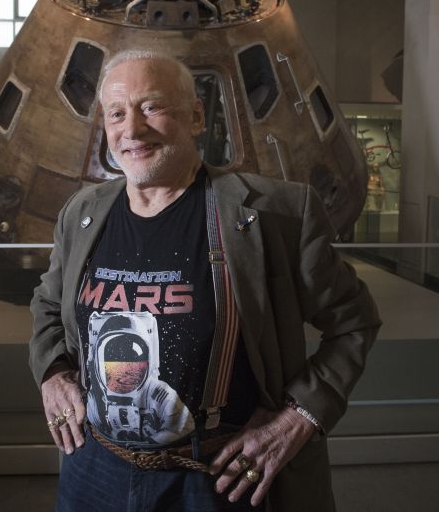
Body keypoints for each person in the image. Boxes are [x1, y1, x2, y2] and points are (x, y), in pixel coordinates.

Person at [29, 49, 381, 511]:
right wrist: (53, 372)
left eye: (151, 106)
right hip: (95, 469)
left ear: (196, 116)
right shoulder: (84, 213)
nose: (131, 130)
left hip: (217, 479)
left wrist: (298, 419)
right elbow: (48, 306)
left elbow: (353, 323)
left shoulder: (276, 215)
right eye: (117, 113)